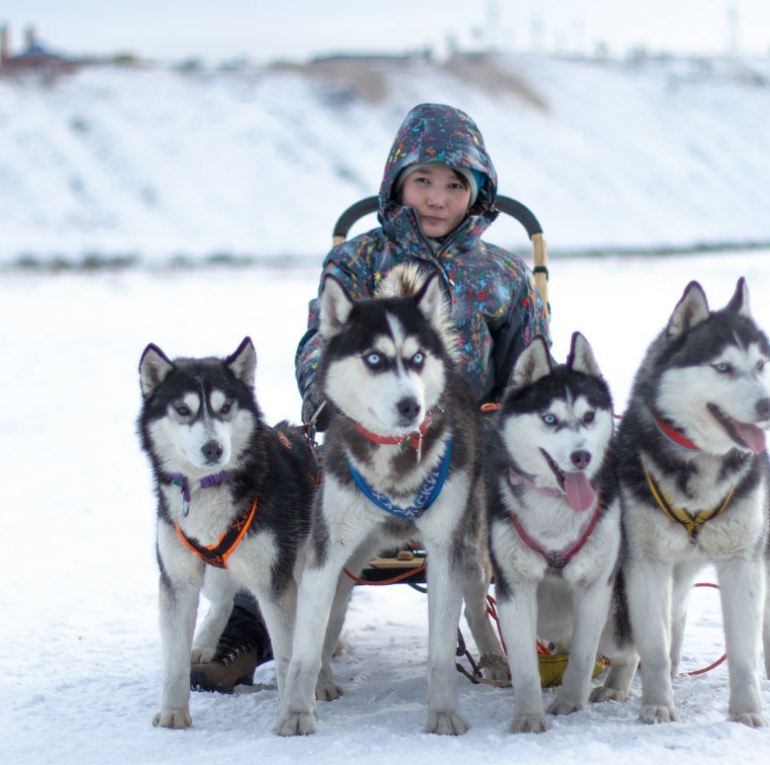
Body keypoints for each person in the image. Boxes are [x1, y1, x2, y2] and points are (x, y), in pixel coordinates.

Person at [190, 102, 551, 693]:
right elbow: (319, 346)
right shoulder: (357, 261)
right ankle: (246, 626)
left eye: (455, 184)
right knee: (284, 485)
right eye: (422, 180)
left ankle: (574, 629)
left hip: (471, 451)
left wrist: (505, 422)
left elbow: (532, 373)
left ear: (479, 192)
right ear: (397, 183)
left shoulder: (503, 276)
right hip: (365, 447)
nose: (436, 197)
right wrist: (327, 401)